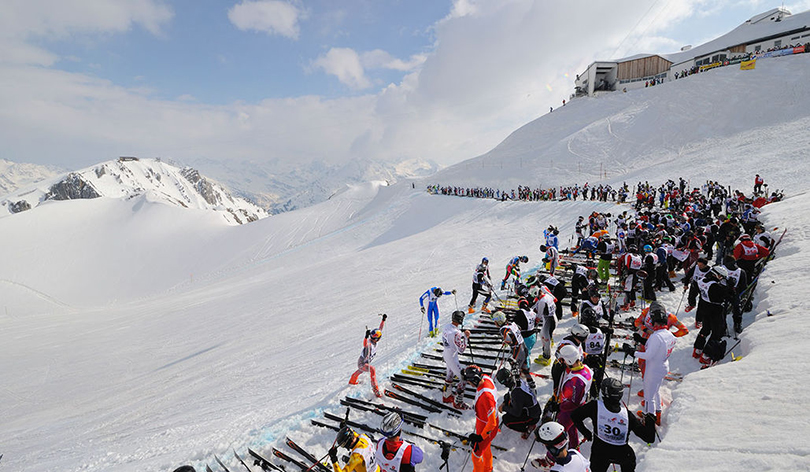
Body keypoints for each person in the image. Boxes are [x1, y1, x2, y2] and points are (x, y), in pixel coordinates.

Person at [571, 378, 656, 472]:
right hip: (622, 454)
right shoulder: (627, 415)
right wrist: (650, 421)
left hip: (600, 452)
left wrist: (585, 432)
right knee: (629, 459)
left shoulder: (594, 406)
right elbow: (649, 438)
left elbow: (575, 416)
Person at [623, 303, 677, 425]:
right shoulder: (669, 335)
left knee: (648, 396)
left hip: (653, 368)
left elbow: (648, 355)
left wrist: (633, 352)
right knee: (656, 391)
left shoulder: (656, 336)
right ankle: (657, 415)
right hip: (663, 365)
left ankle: (649, 420)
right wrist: (641, 340)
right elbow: (658, 347)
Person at [686, 265, 731, 364]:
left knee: (705, 329)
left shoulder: (702, 281)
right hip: (715, 310)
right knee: (716, 332)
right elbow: (728, 296)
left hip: (704, 308)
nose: (722, 279)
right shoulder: (716, 286)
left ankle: (697, 349)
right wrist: (730, 286)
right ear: (716, 275)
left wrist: (692, 302)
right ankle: (706, 355)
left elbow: (694, 291)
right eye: (721, 277)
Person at [552, 344, 593, 450]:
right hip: (576, 405)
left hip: (569, 409)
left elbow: (573, 402)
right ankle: (574, 449)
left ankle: (551, 458)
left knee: (558, 434)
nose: (562, 362)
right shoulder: (586, 368)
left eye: (563, 360)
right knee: (572, 428)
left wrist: (559, 407)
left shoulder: (577, 380)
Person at [464, 365, 499, 472]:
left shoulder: (486, 396)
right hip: (482, 422)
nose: (468, 383)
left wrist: (481, 437)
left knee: (476, 455)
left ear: (474, 380)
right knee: (486, 448)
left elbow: (492, 423)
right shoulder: (484, 378)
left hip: (487, 427)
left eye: (469, 381)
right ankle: (488, 469)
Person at [495, 367, 541, 439]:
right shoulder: (516, 381)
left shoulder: (517, 392)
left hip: (532, 416)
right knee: (508, 402)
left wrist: (504, 408)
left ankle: (528, 428)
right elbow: (509, 394)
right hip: (531, 408)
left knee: (506, 419)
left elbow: (517, 412)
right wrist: (504, 402)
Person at [349, 314, 387, 397]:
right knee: (372, 369)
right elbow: (365, 344)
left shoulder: (375, 341)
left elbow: (380, 329)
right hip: (362, 363)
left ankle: (352, 380)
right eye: (372, 337)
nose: (372, 339)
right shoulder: (370, 343)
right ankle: (375, 389)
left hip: (364, 362)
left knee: (361, 370)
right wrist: (366, 337)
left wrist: (383, 320)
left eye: (374, 338)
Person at [441, 310, 472, 409]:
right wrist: (466, 337)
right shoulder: (456, 333)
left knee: (450, 374)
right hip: (453, 356)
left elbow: (452, 338)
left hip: (447, 353)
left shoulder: (447, 327)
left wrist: (461, 335)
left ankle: (446, 396)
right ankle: (458, 402)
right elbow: (461, 349)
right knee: (463, 378)